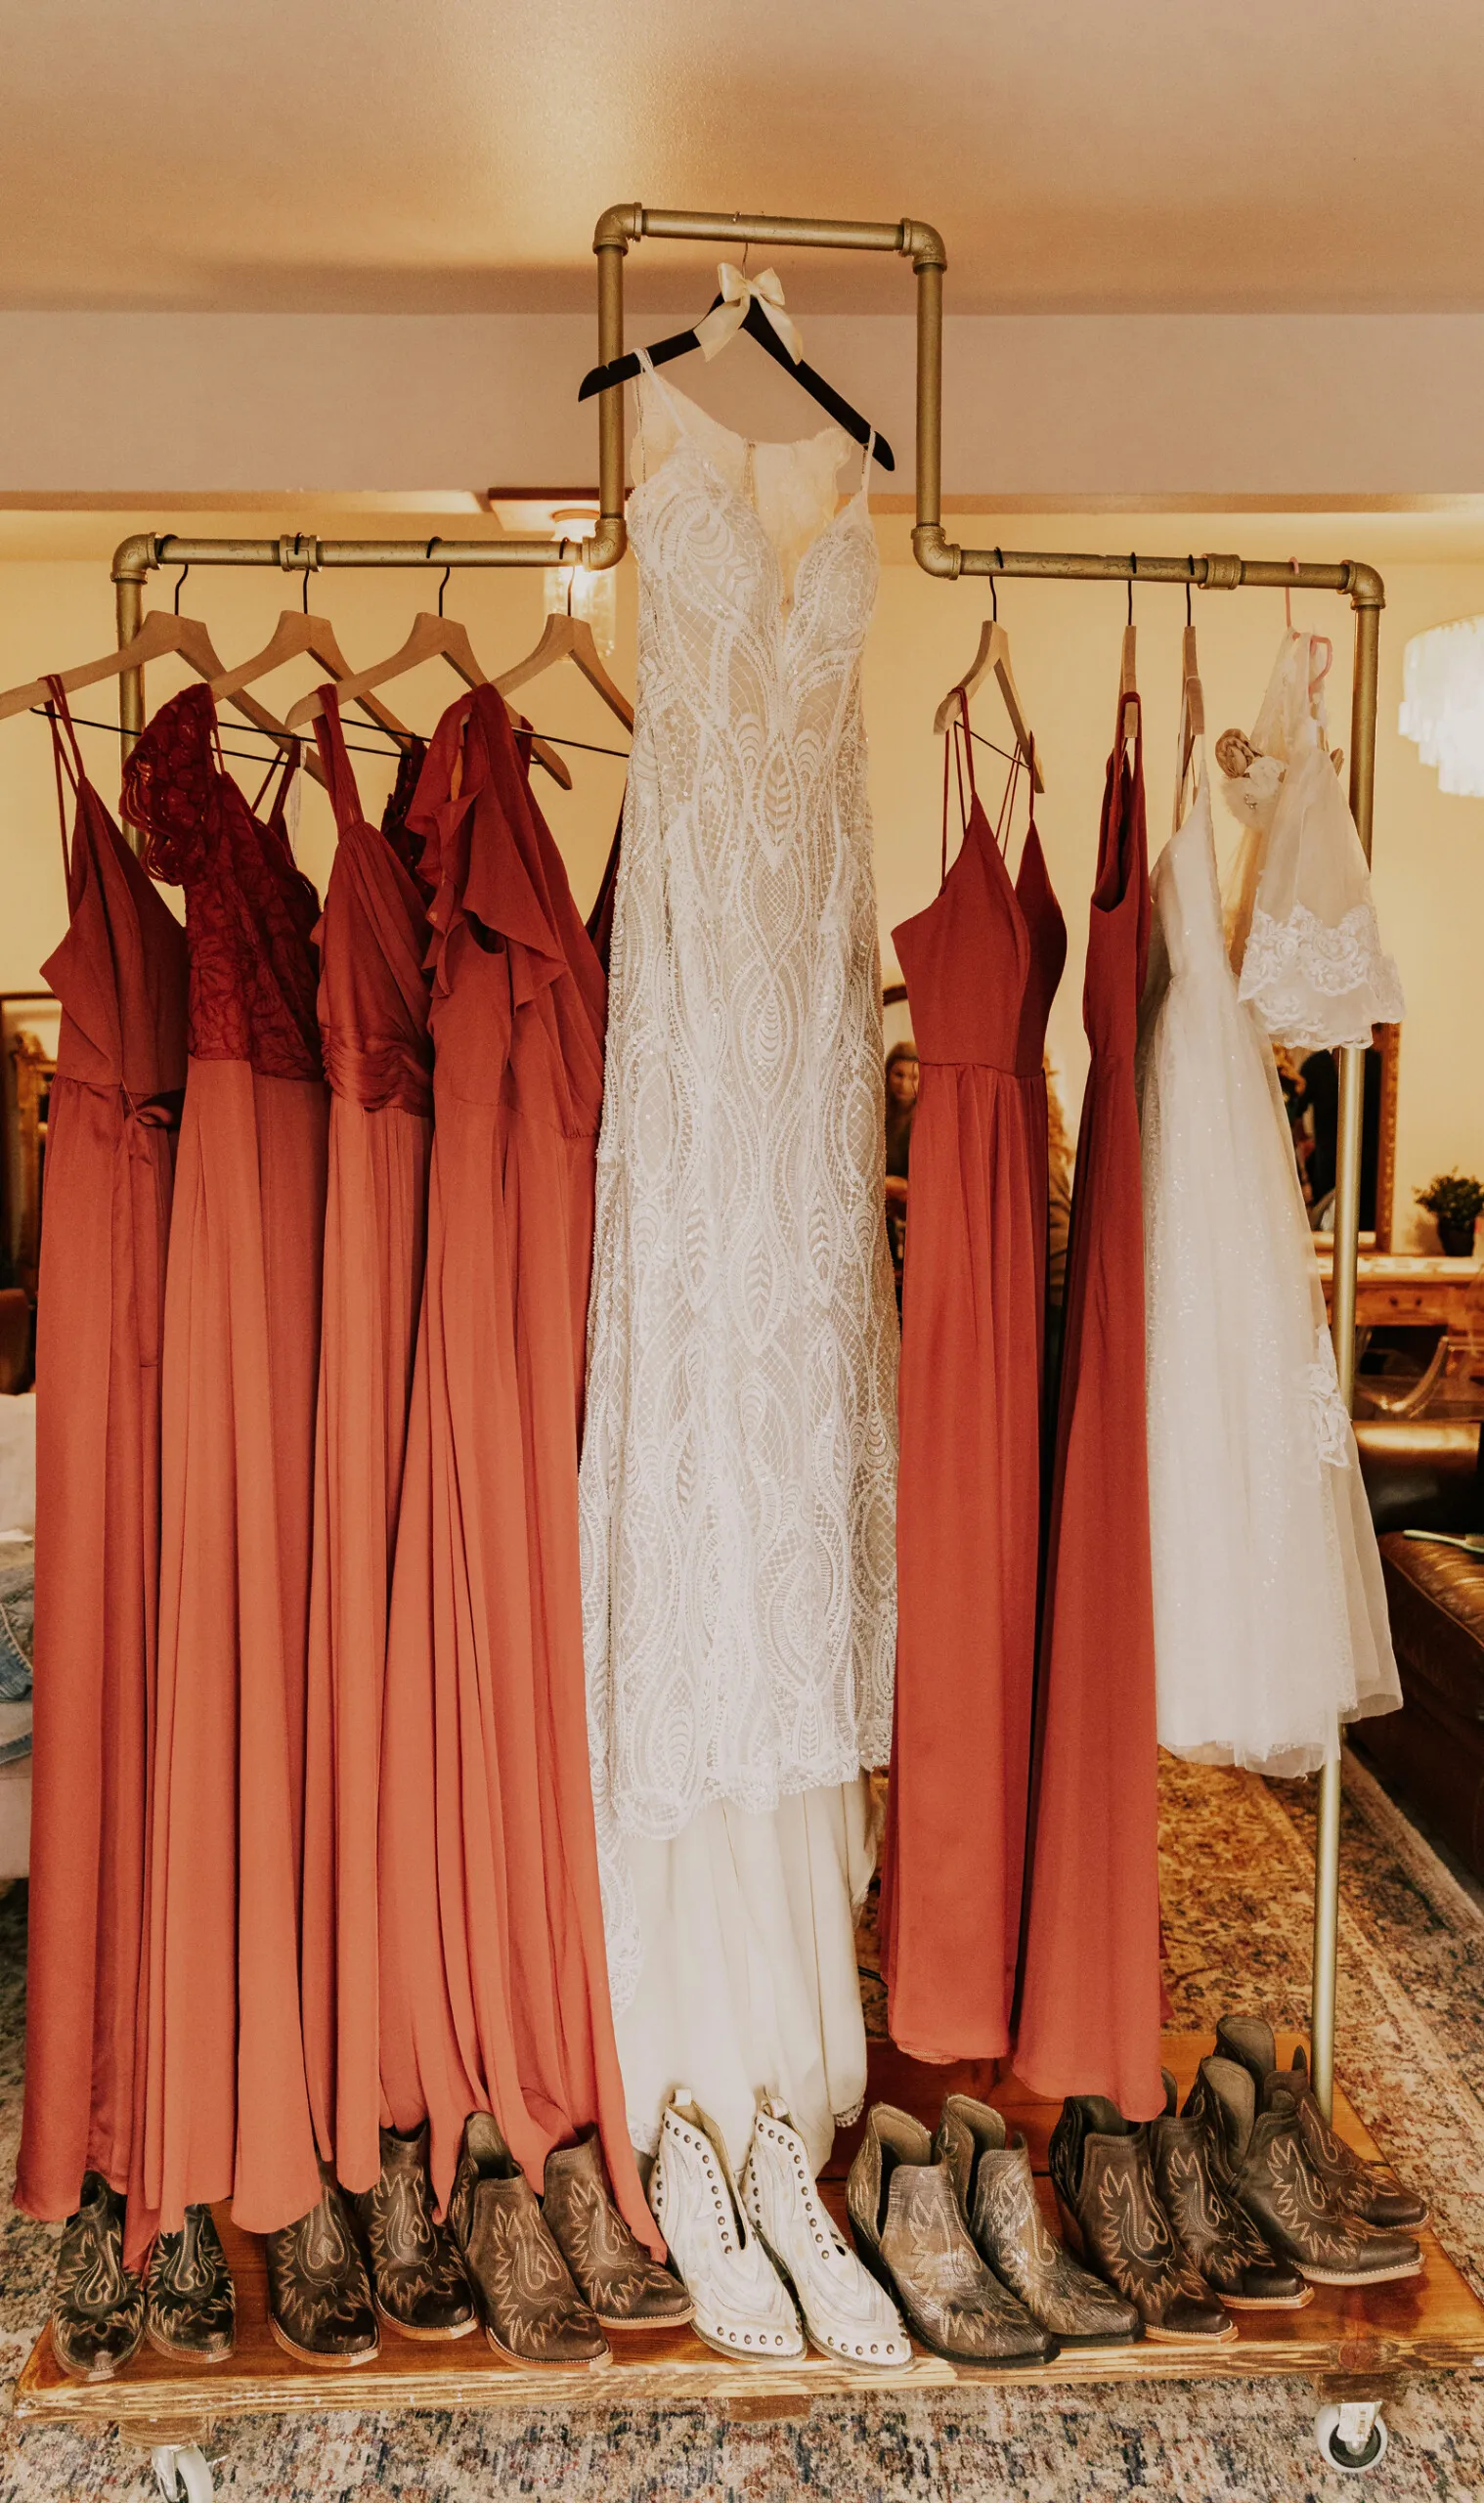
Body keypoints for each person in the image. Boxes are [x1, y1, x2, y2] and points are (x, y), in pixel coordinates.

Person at [884, 1041, 919, 1278]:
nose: (905, 1084)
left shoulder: (926, 1118)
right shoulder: (878, 1112)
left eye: (914, 1077)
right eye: (898, 1074)